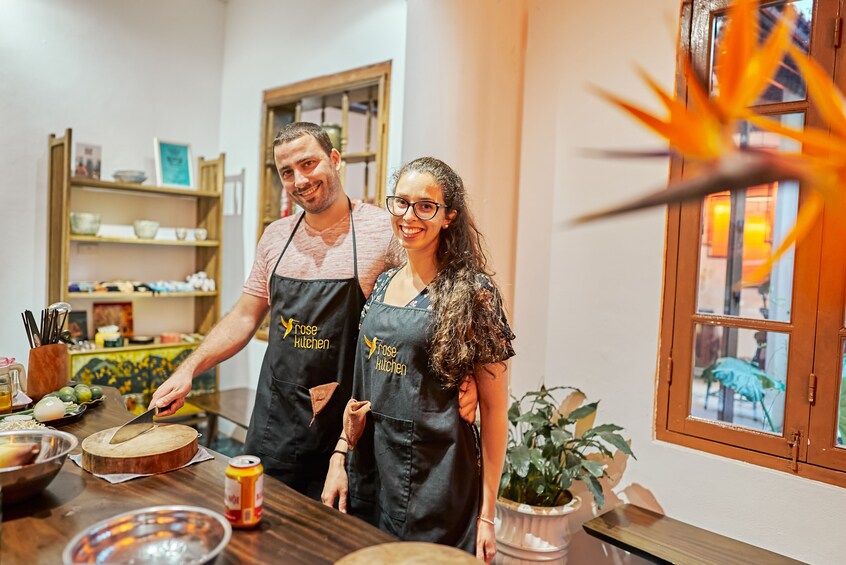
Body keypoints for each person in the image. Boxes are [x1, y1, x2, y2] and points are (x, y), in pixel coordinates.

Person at [150, 123, 477, 500]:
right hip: (276, 423)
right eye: (286, 172)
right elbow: (243, 316)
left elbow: (438, 299)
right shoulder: (275, 236)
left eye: (308, 164)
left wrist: (468, 374)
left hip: (347, 432)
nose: (299, 180)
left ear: (335, 160)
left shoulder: (382, 232)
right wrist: (188, 369)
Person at [322, 157, 513, 563]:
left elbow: (496, 412)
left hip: (439, 481)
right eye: (401, 202)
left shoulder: (474, 293)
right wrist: (340, 456)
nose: (410, 216)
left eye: (426, 206)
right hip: (372, 472)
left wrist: (488, 515)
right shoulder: (383, 283)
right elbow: (361, 387)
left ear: (449, 216)